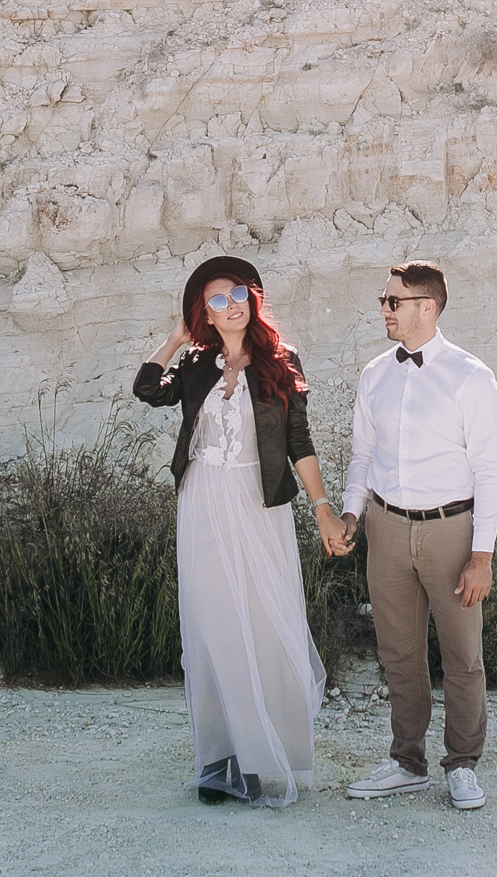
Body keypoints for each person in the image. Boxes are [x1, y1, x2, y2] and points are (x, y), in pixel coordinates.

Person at [134, 255, 350, 806]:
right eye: (214, 301)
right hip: (203, 498)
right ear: (203, 314)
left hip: (259, 502)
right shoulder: (197, 362)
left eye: (235, 295)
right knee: (211, 623)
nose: (228, 307)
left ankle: (261, 753)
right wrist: (176, 339)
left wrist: (322, 506)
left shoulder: (280, 360)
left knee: (257, 619)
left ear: (251, 298)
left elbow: (299, 440)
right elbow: (148, 390)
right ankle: (220, 760)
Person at [340, 260, 497, 812]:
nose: (384, 310)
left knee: (462, 655)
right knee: (399, 653)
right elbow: (362, 454)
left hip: (451, 530)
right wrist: (351, 515)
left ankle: (462, 765)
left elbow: (490, 470)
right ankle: (405, 762)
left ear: (426, 307)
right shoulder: (373, 375)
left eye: (394, 302)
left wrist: (481, 554)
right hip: (386, 529)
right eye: (384, 300)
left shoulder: (471, 376)